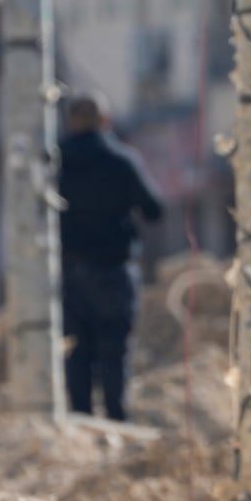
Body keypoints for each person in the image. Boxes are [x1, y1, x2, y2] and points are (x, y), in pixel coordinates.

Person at [57, 92, 165, 421]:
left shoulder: (55, 161)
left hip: (71, 272)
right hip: (114, 271)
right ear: (105, 121)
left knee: (76, 351)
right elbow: (154, 209)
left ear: (70, 122)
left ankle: (80, 420)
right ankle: (116, 418)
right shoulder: (121, 159)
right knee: (114, 350)